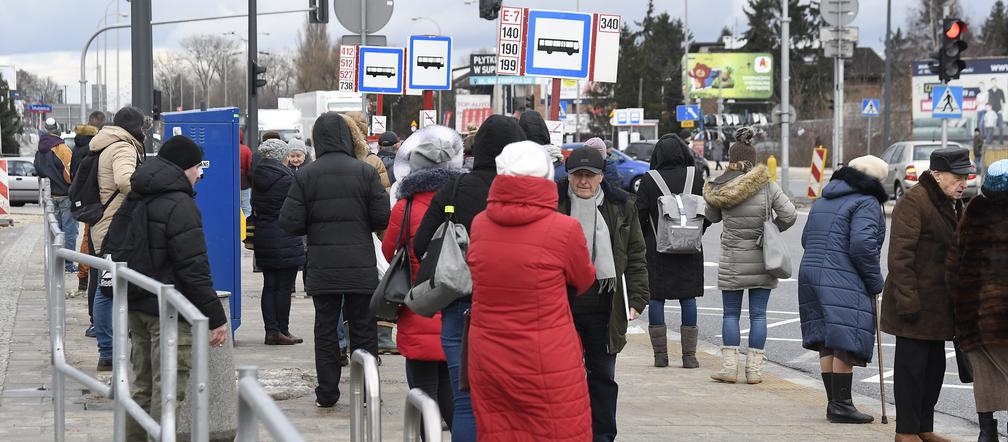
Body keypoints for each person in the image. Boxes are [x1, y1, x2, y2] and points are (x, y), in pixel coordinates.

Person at [467, 141, 597, 442]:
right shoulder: (564, 229)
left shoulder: (480, 224)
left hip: (488, 353)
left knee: (498, 432)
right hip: (547, 354)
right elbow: (585, 279)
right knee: (556, 431)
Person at [412, 115, 527, 442]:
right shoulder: (524, 190)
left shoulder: (455, 187)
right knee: (509, 404)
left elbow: (422, 244)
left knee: (465, 404)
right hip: (513, 314)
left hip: (460, 311)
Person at [113, 135, 229, 441]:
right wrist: (216, 316)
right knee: (166, 395)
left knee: (141, 387)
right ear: (183, 168)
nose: (200, 174)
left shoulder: (136, 194)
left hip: (137, 304)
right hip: (169, 311)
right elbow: (193, 267)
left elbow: (113, 245)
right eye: (196, 167)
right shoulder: (179, 204)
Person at [279, 112, 390, 407]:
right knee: (365, 329)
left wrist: (315, 224)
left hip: (323, 266)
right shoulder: (365, 172)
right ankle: (369, 392)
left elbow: (289, 222)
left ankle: (327, 393)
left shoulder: (306, 175)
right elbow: (382, 217)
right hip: (360, 265)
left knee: (326, 329)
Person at [556, 146, 649, 441]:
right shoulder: (554, 204)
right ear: (569, 176)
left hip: (605, 309)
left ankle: (603, 436)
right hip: (562, 309)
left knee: (603, 379)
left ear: (600, 178)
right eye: (578, 175)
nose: (583, 181)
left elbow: (635, 254)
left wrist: (637, 298)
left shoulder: (621, 206)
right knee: (562, 381)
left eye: (590, 175)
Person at [881, 148, 972, 442]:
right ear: (937, 174)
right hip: (915, 306)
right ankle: (905, 431)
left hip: (940, 307)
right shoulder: (914, 201)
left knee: (933, 370)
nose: (964, 182)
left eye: (966, 176)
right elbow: (899, 258)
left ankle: (923, 427)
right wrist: (909, 303)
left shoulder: (951, 203)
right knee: (911, 371)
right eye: (958, 177)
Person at [380, 125, 465, 431]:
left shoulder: (406, 206)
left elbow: (390, 251)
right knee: (453, 393)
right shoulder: (463, 200)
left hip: (420, 305)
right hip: (458, 305)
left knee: (422, 392)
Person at [798, 155, 889, 424]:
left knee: (827, 339)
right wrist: (875, 281)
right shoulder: (867, 202)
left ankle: (834, 404)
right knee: (845, 341)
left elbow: (806, 238)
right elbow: (862, 245)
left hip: (812, 272)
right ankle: (842, 405)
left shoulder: (824, 198)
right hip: (843, 275)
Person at [704, 126, 797, 384]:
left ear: (732, 160)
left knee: (730, 314)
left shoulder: (721, 186)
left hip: (733, 259)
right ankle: (754, 371)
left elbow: (711, 216)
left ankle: (729, 369)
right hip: (763, 257)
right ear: (754, 159)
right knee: (759, 315)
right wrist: (771, 229)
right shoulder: (767, 185)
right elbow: (789, 215)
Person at [947, 159, 1008, 441]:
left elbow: (954, 264)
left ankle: (987, 431)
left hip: (974, 312)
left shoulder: (973, 212)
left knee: (984, 374)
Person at [636, 134, 708, 369]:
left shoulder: (649, 180)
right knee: (688, 298)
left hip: (657, 250)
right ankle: (689, 357)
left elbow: (639, 216)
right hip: (690, 249)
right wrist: (693, 234)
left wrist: (648, 239)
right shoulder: (695, 177)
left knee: (656, 297)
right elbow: (704, 214)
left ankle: (660, 356)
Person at [90, 106, 149, 371]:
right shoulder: (123, 147)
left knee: (109, 285)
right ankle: (108, 351)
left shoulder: (108, 143)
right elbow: (125, 180)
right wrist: (153, 185)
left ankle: (109, 349)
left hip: (108, 225)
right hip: (116, 228)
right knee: (108, 288)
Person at [340, 112, 396, 354]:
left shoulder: (326, 161)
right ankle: (375, 341)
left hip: (337, 240)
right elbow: (382, 203)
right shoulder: (373, 163)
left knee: (341, 295)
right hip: (367, 237)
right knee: (371, 290)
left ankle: (345, 339)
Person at [252, 138, 305, 346]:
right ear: (282, 156)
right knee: (284, 287)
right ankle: (281, 329)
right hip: (285, 235)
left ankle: (271, 330)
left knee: (270, 285)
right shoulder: (287, 178)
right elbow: (295, 207)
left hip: (264, 235)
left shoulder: (258, 175)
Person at [73, 111, 106, 336]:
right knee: (100, 264)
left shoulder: (77, 148)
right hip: (98, 208)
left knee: (90, 253)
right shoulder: (98, 151)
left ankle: (83, 277)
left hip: (84, 206)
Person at [35, 117, 77, 273]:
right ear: (58, 129)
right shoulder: (61, 148)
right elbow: (69, 172)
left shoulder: (40, 150)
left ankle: (56, 264)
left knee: (55, 232)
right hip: (65, 195)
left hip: (52, 197)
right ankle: (68, 265)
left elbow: (38, 170)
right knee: (70, 232)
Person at [239, 130, 253, 217]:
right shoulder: (246, 150)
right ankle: (245, 226)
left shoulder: (226, 147)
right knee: (246, 207)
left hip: (228, 185)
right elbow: (250, 167)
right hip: (244, 184)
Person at [988, 79, 1005, 144]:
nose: (993, 83)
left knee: (1000, 127)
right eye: (992, 82)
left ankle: (1001, 141)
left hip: (999, 111)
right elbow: (987, 102)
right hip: (991, 112)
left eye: (994, 82)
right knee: (991, 127)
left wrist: (1002, 109)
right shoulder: (989, 91)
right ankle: (990, 140)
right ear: (991, 83)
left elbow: (1003, 101)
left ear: (996, 82)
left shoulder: (1000, 91)